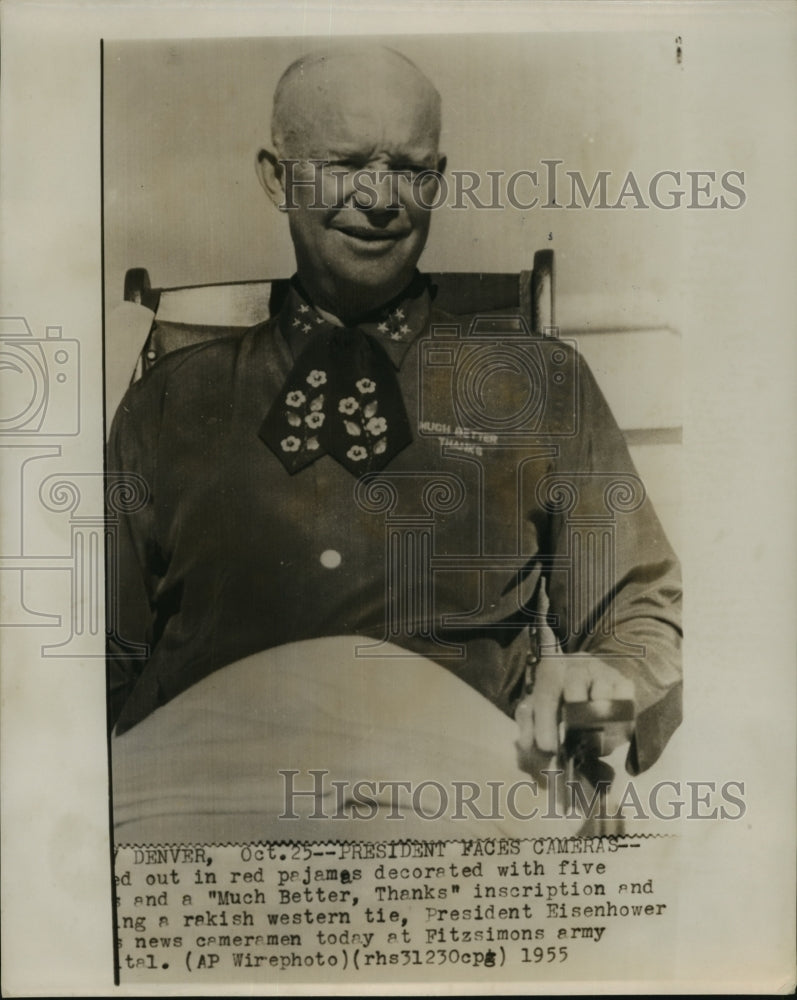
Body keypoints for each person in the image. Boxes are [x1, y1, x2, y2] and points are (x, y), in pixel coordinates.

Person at [107, 45, 681, 781]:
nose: (380, 197)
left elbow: (637, 614)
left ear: (437, 180)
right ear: (277, 178)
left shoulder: (541, 387)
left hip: (457, 797)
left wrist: (605, 688)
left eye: (410, 169)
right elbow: (95, 657)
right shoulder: (167, 402)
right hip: (199, 797)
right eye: (345, 163)